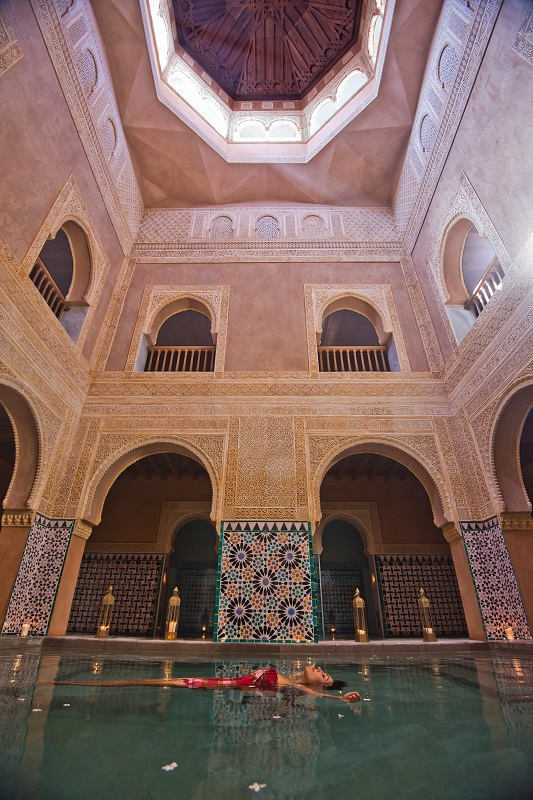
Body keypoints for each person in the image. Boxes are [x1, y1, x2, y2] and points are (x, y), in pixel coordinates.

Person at [47, 663, 361, 703]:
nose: (319, 670)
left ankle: (92, 687)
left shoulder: (297, 688)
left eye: (324, 675)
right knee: (158, 680)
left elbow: (317, 696)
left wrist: (341, 698)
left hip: (216, 684)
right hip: (220, 681)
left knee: (159, 681)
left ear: (319, 685)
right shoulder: (289, 680)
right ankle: (89, 686)